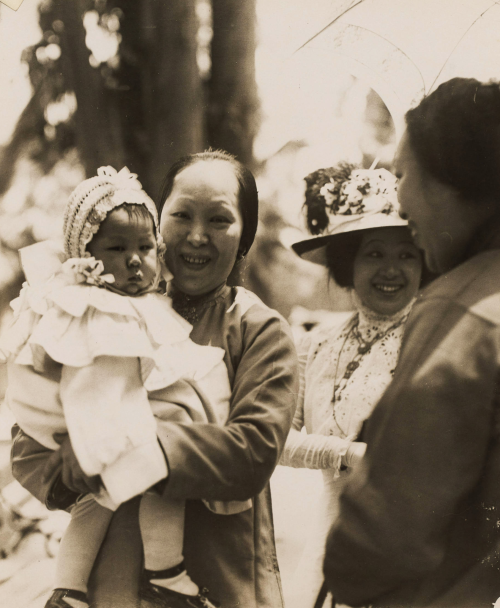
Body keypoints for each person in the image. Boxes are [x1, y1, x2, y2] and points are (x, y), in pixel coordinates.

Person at [10, 150, 299, 608]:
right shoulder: (105, 313)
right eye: (181, 215)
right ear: (157, 221)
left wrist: (134, 447)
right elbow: (28, 445)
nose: (197, 236)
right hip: (111, 583)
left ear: (245, 235)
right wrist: (69, 461)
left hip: (215, 577)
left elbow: (253, 450)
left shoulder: (258, 329)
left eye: (220, 220)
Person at [323, 77, 500, 608]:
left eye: (402, 174)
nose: (398, 200)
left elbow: (388, 525)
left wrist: (345, 573)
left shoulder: (461, 312)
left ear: (453, 179)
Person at [280, 163, 425, 608]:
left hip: (408, 555)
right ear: (347, 263)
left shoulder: (432, 340)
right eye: (375, 253)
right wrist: (340, 453)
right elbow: (274, 437)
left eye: (407, 254)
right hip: (327, 547)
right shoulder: (315, 343)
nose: (391, 270)